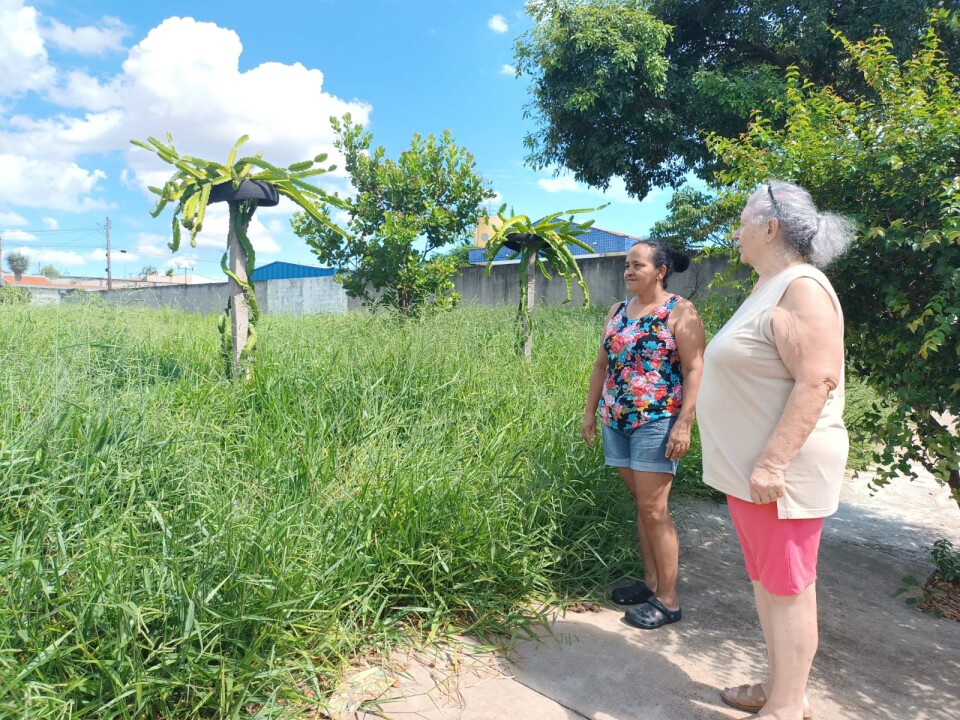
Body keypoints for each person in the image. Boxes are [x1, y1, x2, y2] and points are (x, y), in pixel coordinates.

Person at [698, 180, 854, 719]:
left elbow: (817, 380)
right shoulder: (772, 285)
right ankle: (781, 686)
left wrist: (772, 462)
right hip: (752, 475)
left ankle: (787, 706)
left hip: (779, 476)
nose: (736, 230)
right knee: (769, 584)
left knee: (787, 589)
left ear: (770, 228)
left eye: (743, 220)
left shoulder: (803, 287)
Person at [583, 239, 705, 629]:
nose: (629, 271)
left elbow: (695, 370)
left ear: (660, 271)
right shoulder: (617, 311)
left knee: (655, 509)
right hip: (616, 418)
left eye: (637, 265)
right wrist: (590, 412)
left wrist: (685, 422)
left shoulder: (679, 311)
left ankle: (668, 600)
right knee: (642, 504)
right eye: (626, 265)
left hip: (657, 421)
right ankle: (651, 583)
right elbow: (602, 365)